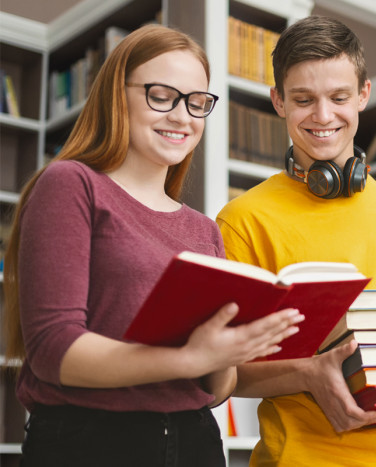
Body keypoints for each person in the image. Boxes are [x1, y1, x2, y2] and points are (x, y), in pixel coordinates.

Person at [2, 24, 303, 467]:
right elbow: (53, 351)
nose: (182, 116)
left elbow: (217, 391)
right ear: (115, 96)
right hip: (89, 444)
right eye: (161, 95)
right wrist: (188, 357)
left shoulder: (205, 230)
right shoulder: (71, 185)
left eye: (197, 103)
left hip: (196, 443)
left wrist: (227, 352)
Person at [216, 15, 376, 466]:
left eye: (339, 97)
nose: (323, 116)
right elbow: (224, 375)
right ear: (278, 101)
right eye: (303, 99)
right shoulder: (243, 220)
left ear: (363, 95)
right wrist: (309, 374)